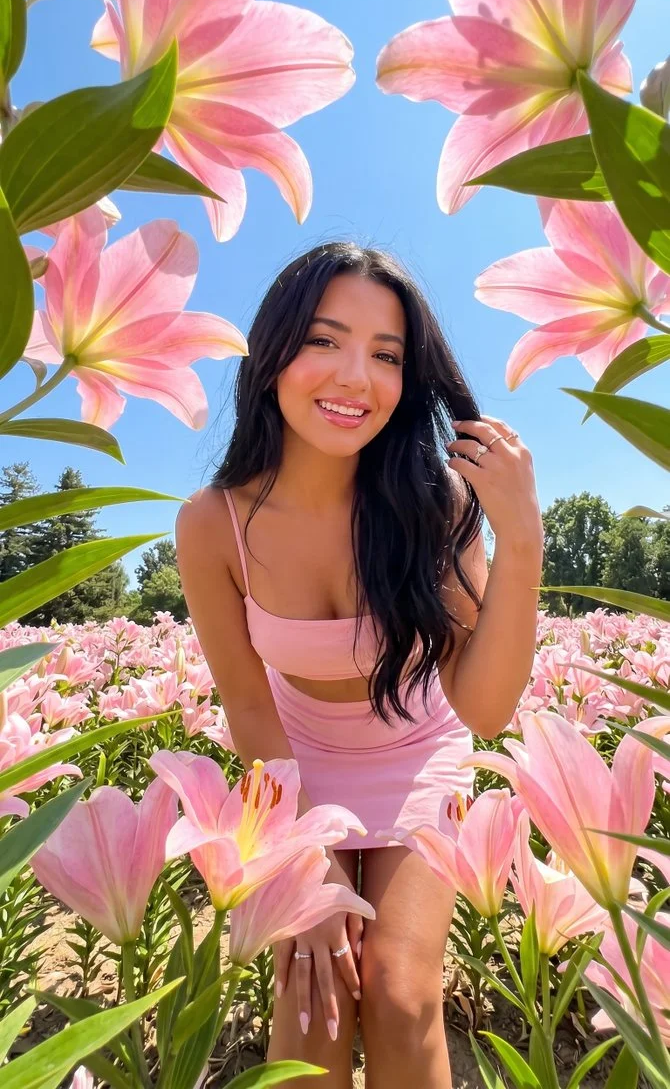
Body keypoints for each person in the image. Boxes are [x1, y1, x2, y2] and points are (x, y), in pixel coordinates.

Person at [176, 242, 544, 1089]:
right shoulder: (211, 525)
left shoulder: (434, 503)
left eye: (386, 356)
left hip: (421, 754)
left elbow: (482, 711)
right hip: (296, 767)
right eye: (324, 340)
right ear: (271, 354)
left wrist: (518, 540)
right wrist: (299, 859)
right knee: (311, 1009)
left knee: (402, 994)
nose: (356, 377)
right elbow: (250, 707)